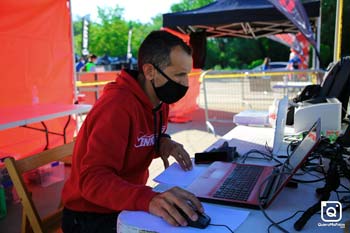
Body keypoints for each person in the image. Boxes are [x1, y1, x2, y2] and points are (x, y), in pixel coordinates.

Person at [61, 30, 204, 233]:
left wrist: (163, 142)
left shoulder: (160, 100)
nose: (184, 83)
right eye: (179, 74)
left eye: (186, 75)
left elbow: (137, 140)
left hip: (124, 202)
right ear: (150, 71)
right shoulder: (116, 107)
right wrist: (148, 199)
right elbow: (92, 180)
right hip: (90, 215)